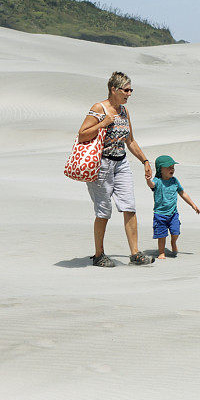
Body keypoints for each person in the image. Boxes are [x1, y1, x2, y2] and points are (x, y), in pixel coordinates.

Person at [77, 72, 154, 267]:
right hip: (101, 164)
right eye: (126, 90)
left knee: (129, 206)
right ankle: (98, 255)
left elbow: (130, 140)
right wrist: (103, 123)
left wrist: (145, 160)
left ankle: (135, 254)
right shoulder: (99, 108)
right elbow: (82, 135)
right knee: (104, 210)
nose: (129, 94)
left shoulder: (124, 112)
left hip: (121, 163)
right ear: (114, 89)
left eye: (131, 90)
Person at [146, 155, 200, 260]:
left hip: (173, 214)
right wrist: (148, 180)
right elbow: (151, 185)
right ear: (160, 169)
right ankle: (161, 252)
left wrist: (193, 205)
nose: (172, 169)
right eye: (168, 167)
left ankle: (173, 242)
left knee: (176, 232)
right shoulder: (157, 180)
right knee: (161, 236)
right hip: (160, 214)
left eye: (173, 167)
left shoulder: (174, 181)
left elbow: (182, 193)